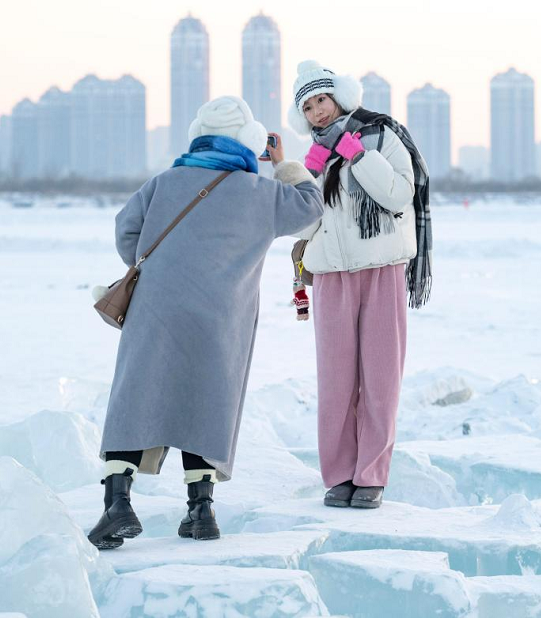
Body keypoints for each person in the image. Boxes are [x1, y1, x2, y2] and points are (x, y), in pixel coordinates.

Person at [88, 96, 324, 549]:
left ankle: (117, 504)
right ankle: (201, 512)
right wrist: (282, 163)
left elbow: (126, 230)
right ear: (250, 142)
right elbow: (311, 208)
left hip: (156, 307)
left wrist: (156, 267)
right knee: (208, 401)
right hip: (222, 317)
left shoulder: (165, 181)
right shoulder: (262, 193)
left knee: (135, 395)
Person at [286, 61, 432, 509]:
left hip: (382, 267)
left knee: (380, 377)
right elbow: (304, 221)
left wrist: (357, 155)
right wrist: (292, 174)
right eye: (307, 107)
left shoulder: (382, 135)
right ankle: (339, 475)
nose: (317, 112)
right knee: (335, 382)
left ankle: (370, 475)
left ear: (340, 98)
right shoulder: (314, 156)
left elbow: (397, 195)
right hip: (332, 276)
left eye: (321, 101)